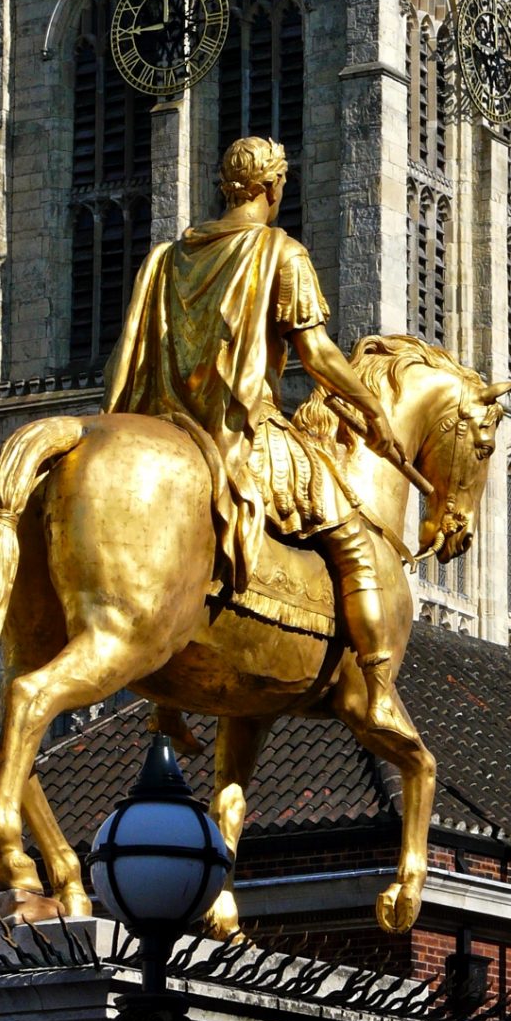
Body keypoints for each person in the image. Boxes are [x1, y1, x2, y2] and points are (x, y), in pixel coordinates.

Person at [102, 135, 406, 726]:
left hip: (160, 421)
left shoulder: (169, 255)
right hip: (240, 430)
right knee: (353, 539)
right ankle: (377, 684)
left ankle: (169, 698)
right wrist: (370, 404)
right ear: (272, 187)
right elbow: (316, 354)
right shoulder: (279, 253)